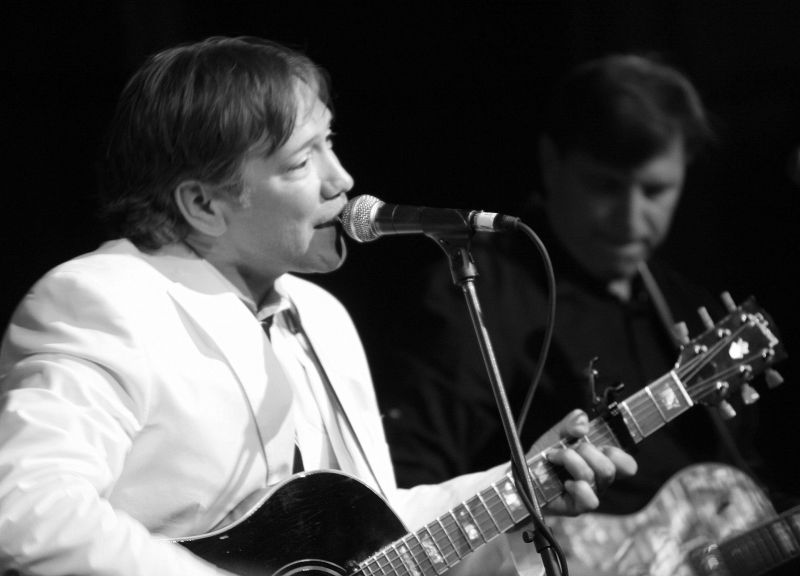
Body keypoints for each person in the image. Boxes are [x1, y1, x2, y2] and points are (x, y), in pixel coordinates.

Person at [0, 36, 636, 576]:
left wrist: (519, 489)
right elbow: (26, 511)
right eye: (303, 160)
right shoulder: (103, 299)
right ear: (203, 204)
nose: (342, 181)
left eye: (330, 142)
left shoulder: (321, 315)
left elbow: (383, 535)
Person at [378, 54, 797, 574]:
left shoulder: (688, 308)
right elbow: (404, 501)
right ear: (552, 163)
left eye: (655, 190)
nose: (630, 217)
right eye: (605, 186)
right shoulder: (474, 294)